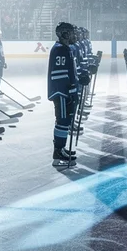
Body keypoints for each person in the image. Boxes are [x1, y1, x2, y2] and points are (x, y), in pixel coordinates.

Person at [48, 22, 82, 166]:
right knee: (62, 122)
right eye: (71, 32)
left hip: (64, 92)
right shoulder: (60, 50)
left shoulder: (64, 48)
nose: (74, 35)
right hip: (61, 93)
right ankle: (58, 152)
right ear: (64, 34)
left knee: (65, 122)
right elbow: (59, 75)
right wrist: (70, 91)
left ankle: (61, 148)